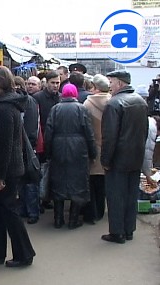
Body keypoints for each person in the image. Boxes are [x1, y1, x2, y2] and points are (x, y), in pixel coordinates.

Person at [0, 66, 36, 267]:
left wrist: (0, 176)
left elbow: (5, 146)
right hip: (10, 168)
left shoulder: (5, 108)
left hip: (7, 170)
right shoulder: (10, 104)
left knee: (9, 212)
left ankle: (24, 254)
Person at [101, 70, 148, 244]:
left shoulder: (114, 104)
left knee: (115, 196)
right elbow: (143, 132)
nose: (109, 86)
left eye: (111, 82)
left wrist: (106, 160)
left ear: (120, 83)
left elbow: (110, 137)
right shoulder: (140, 102)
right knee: (130, 195)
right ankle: (129, 229)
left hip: (118, 159)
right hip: (135, 156)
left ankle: (117, 233)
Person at [45, 83, 97, 229]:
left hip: (58, 148)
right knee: (78, 183)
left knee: (58, 183)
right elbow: (89, 132)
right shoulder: (81, 109)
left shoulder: (55, 109)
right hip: (78, 150)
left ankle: (58, 219)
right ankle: (73, 220)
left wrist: (49, 152)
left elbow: (48, 132)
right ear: (75, 94)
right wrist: (92, 152)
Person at [81, 74, 111, 224]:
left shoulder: (87, 104)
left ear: (96, 88)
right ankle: (101, 210)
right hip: (108, 147)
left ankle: (92, 213)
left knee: (91, 183)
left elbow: (86, 128)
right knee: (103, 182)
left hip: (92, 147)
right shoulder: (113, 102)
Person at [32, 70, 62, 212]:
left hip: (58, 141)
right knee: (41, 172)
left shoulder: (61, 98)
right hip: (42, 140)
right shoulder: (37, 98)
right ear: (46, 83)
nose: (56, 86)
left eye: (58, 83)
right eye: (53, 83)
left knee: (54, 173)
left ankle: (48, 198)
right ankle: (40, 200)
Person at [14, 75, 41, 224]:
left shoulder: (28, 102)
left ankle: (31, 212)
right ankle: (26, 210)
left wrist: (31, 146)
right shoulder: (27, 101)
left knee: (29, 181)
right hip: (24, 147)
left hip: (26, 148)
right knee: (23, 181)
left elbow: (31, 128)